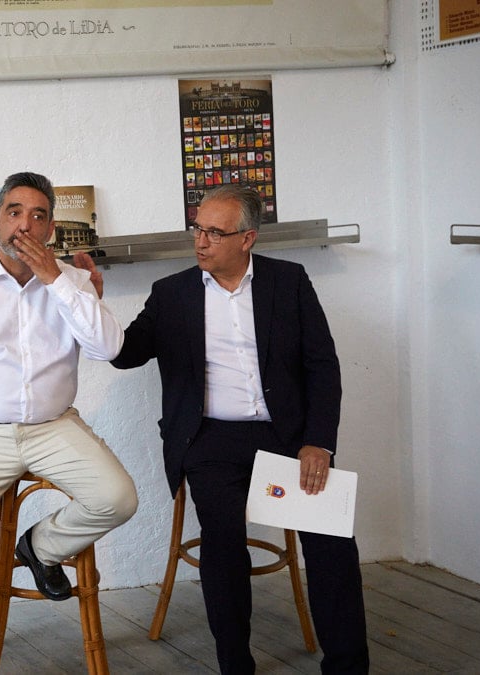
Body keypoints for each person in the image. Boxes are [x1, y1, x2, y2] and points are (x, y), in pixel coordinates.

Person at [110, 184, 369, 674]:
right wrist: (89, 305)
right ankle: (235, 664)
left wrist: (319, 442)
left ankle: (348, 667)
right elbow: (126, 354)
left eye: (214, 232)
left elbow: (322, 366)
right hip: (210, 440)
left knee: (333, 538)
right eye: (198, 228)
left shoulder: (288, 282)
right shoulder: (173, 293)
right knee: (223, 537)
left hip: (287, 437)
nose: (200, 241)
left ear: (247, 238)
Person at [0, 171, 138, 673]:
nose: (26, 225)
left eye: (39, 216)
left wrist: (61, 283)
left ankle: (40, 545)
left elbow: (110, 348)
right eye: (15, 212)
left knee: (118, 497)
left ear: (51, 229)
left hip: (53, 426)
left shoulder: (73, 282)